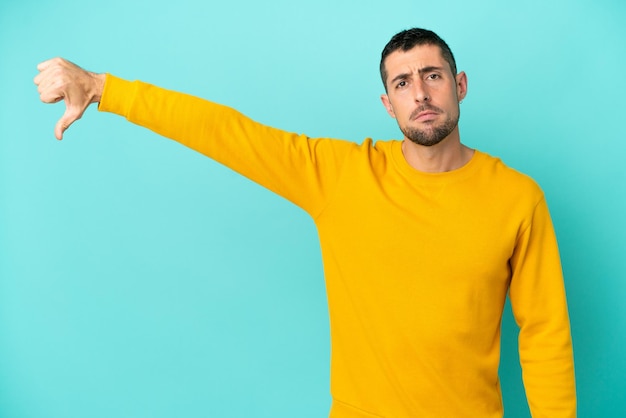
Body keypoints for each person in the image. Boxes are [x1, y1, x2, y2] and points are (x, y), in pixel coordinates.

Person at [34, 28, 576, 417]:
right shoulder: (341, 175)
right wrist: (106, 87)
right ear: (387, 104)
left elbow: (545, 333)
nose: (421, 93)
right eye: (404, 83)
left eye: (433, 76)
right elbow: (229, 133)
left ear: (458, 84)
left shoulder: (517, 198)